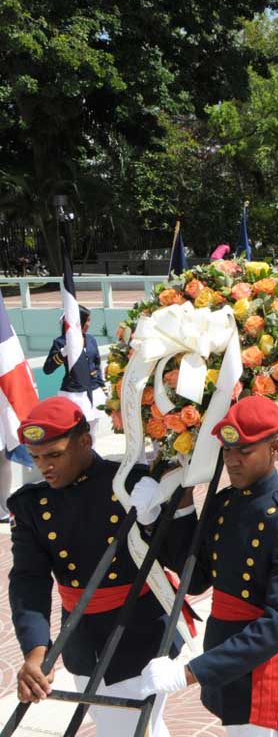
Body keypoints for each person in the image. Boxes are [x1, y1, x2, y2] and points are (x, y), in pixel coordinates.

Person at [138, 395, 278, 736]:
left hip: (263, 668)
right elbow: (195, 579)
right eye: (227, 451)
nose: (233, 461)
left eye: (244, 451)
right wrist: (172, 512)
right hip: (225, 653)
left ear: (274, 446)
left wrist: (191, 672)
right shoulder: (224, 504)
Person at [10, 397, 194, 736]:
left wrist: (162, 512)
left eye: (54, 455)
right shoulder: (31, 505)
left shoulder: (128, 484)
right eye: (36, 457)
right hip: (80, 637)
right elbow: (28, 580)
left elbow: (182, 563)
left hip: (139, 631)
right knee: (132, 729)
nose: (44, 467)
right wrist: (36, 651)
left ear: (85, 441)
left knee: (129, 729)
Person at [43, 307, 104, 438]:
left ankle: (92, 451)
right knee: (77, 433)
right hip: (74, 393)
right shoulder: (61, 342)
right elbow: (47, 369)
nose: (89, 324)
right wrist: (63, 353)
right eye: (87, 320)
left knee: (93, 432)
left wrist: (102, 386)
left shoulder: (91, 340)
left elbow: (96, 364)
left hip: (93, 390)